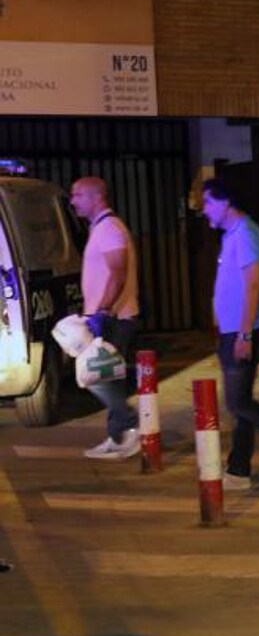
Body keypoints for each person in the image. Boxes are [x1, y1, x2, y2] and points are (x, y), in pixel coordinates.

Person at [200, 177, 259, 491]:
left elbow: (253, 285)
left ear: (225, 203)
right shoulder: (234, 235)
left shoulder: (246, 235)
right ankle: (239, 469)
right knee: (241, 403)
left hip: (244, 331)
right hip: (235, 330)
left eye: (209, 202)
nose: (205, 210)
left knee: (238, 403)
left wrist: (243, 335)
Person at [71, 177, 141, 460]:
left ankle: (130, 425)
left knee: (98, 377)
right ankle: (117, 436)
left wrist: (102, 310)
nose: (73, 200)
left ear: (96, 197)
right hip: (109, 316)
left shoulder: (109, 228)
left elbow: (118, 271)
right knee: (106, 377)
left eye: (78, 195)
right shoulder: (101, 228)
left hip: (114, 317)